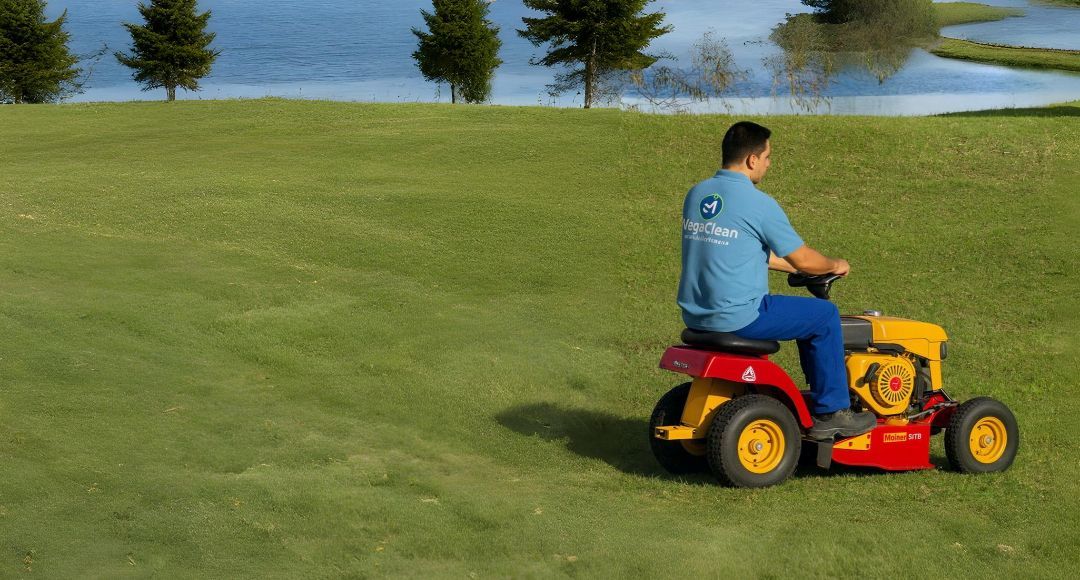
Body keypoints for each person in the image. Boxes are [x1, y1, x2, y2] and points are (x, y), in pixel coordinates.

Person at [677, 121, 875, 439]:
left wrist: (794, 270)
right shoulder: (758, 203)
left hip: (697, 313)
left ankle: (821, 401)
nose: (769, 164)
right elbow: (804, 258)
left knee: (809, 315)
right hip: (740, 314)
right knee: (823, 316)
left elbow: (737, 249)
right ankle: (833, 411)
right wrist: (833, 264)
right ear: (752, 159)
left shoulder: (698, 194)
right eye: (768, 157)